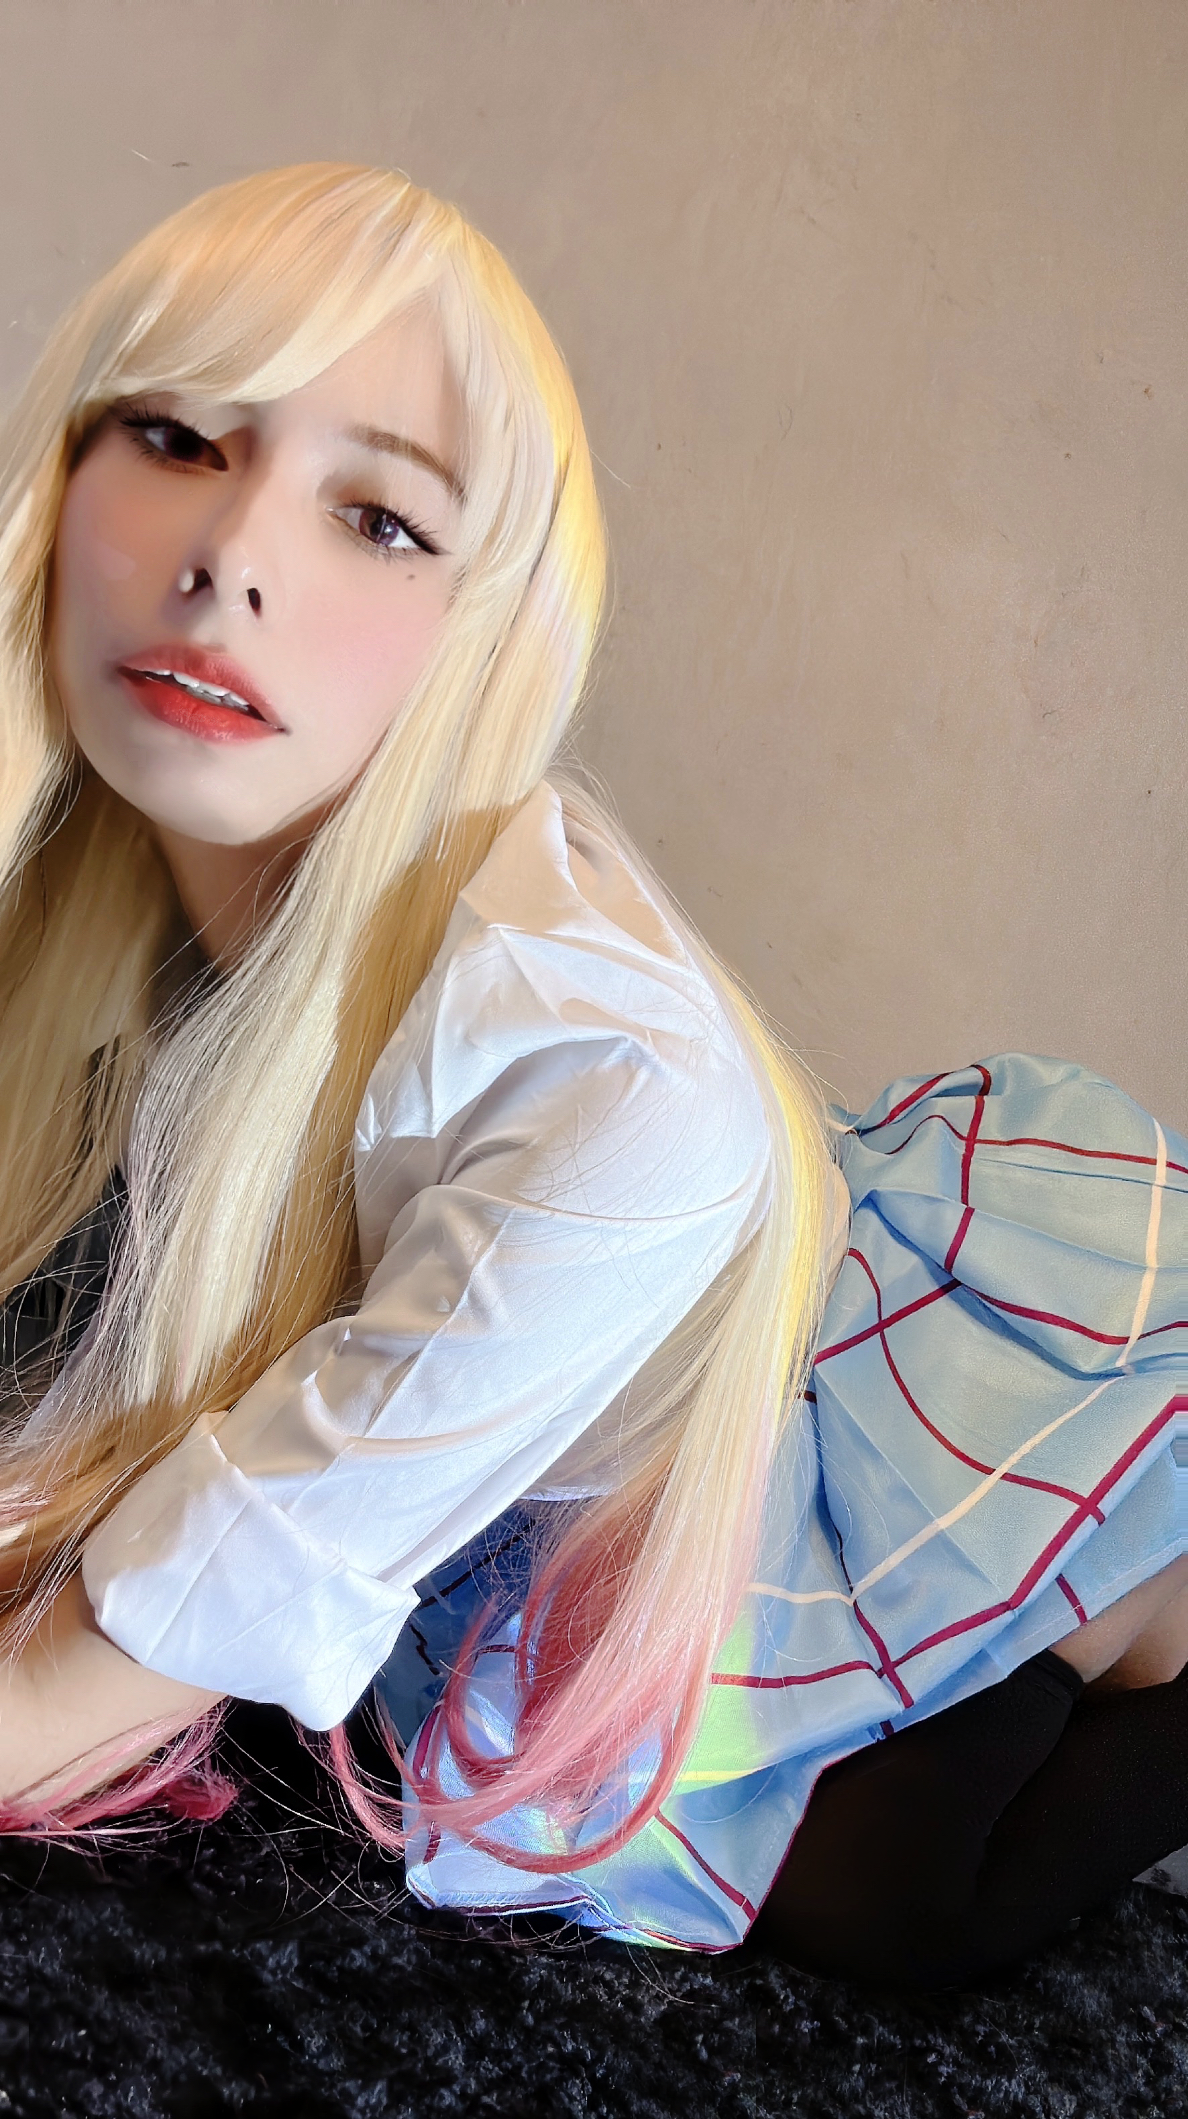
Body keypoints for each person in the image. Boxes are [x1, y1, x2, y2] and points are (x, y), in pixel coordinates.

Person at [0, 163, 1182, 1991]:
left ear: (487, 621)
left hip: (838, 1396)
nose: (228, 557)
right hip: (596, 1385)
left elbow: (127, 1658)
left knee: (892, 1902)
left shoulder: (611, 1086)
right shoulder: (109, 871)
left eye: (379, 518)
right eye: (174, 436)